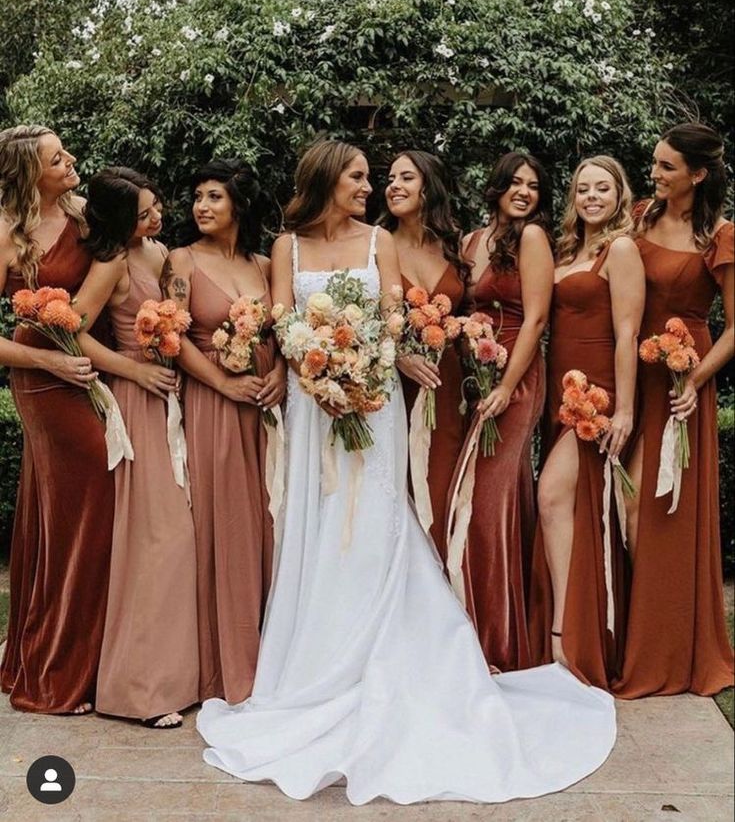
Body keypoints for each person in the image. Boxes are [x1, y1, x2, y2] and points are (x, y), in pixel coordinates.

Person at [196, 139, 615, 806]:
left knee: (377, 521)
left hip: (373, 399)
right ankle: (314, 660)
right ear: (329, 179)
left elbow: (392, 320)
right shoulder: (287, 247)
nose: (368, 187)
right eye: (359, 176)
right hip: (313, 403)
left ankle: (392, 649)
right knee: (318, 519)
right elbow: (282, 319)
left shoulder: (377, 243)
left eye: (372, 177)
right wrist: (312, 370)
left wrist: (365, 369)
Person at [75, 167, 199, 728]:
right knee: (157, 538)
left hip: (176, 396)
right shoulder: (113, 264)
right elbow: (72, 329)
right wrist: (134, 370)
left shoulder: (160, 252)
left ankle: (181, 676)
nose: (156, 217)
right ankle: (140, 690)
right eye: (144, 213)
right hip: (139, 398)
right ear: (119, 221)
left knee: (182, 539)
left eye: (156, 207)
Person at [614, 123, 734, 698]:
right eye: (655, 163)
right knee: (621, 502)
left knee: (655, 510)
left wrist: (696, 378)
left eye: (666, 166)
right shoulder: (637, 217)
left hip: (683, 378)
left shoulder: (720, 236)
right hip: (631, 370)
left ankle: (665, 645)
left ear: (698, 174)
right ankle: (626, 634)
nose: (654, 174)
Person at [162, 159, 285, 704]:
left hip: (265, 406)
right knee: (225, 523)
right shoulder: (180, 261)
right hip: (214, 403)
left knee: (267, 520)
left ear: (239, 204)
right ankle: (223, 664)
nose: (201, 207)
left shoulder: (264, 263)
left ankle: (272, 650)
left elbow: (285, 331)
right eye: (198, 197)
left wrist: (280, 374)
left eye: (214, 196)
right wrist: (220, 383)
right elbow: (171, 336)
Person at [0, 124, 114, 713]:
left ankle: (101, 659)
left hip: (89, 366)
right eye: (55, 157)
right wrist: (48, 359)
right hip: (43, 379)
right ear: (27, 173)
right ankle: (61, 671)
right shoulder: (5, 231)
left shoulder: (87, 216)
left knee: (79, 509)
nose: (70, 160)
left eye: (66, 149)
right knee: (86, 504)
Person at [528, 156, 644, 689]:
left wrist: (623, 408)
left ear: (620, 195)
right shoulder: (569, 251)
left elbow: (627, 333)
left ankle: (563, 635)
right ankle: (581, 629)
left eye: (602, 188)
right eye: (582, 189)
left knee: (552, 494)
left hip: (595, 394)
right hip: (558, 391)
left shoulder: (620, 249)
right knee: (570, 507)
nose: (591, 197)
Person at [449, 152, 554, 671]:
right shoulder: (472, 241)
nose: (524, 192)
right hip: (474, 377)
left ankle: (495, 642)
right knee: (476, 497)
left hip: (515, 376)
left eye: (534, 186)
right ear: (496, 186)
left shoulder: (532, 239)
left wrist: (507, 387)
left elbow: (536, 319)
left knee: (488, 502)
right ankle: (473, 626)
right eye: (515, 182)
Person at [384, 150, 468, 557]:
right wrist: (399, 354)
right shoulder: (376, 245)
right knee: (399, 485)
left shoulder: (455, 247)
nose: (393, 186)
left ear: (428, 188)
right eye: (390, 178)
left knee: (442, 481)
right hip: (393, 388)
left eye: (406, 178)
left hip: (447, 386)